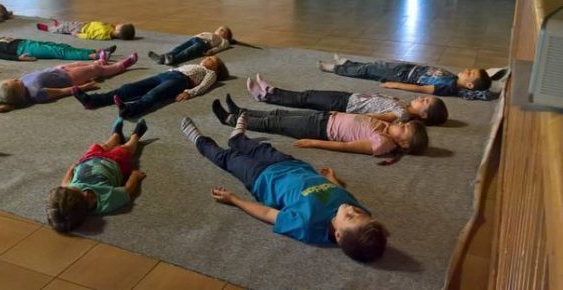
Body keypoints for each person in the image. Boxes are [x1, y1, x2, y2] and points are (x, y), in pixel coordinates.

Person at [179, 114, 388, 262]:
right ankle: (237, 138)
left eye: (350, 216)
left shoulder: (307, 225)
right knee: (258, 148)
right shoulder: (356, 211)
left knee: (228, 158)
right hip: (291, 165)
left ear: (339, 236)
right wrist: (333, 181)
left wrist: (234, 199)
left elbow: (268, 213)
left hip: (262, 179)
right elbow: (342, 194)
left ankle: (200, 141)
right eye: (358, 212)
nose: (352, 209)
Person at [212, 95, 428, 157]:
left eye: (405, 129)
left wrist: (313, 143)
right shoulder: (387, 127)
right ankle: (240, 112)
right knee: (279, 113)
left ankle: (229, 120)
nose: (402, 124)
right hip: (327, 117)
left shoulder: (382, 143)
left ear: (403, 143)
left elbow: (346, 146)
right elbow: (363, 117)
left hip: (319, 130)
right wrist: (339, 113)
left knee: (275, 122)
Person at [47, 117, 149, 232]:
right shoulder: (107, 200)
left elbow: (65, 183)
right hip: (115, 163)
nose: (72, 186)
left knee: (102, 146)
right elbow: (127, 190)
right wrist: (135, 176)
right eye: (77, 190)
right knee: (125, 149)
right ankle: (136, 135)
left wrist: (71, 169)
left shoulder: (68, 191)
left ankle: (116, 135)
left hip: (89, 158)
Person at [246, 73, 448, 125]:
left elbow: (376, 118)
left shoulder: (402, 114)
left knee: (306, 99)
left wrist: (347, 117)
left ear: (424, 115)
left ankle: (266, 96)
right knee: (309, 94)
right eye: (426, 98)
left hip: (346, 106)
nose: (422, 98)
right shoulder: (402, 105)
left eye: (426, 102)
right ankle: (272, 91)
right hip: (349, 98)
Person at [73, 56, 229, 117]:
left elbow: (204, 86)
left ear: (216, 69)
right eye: (209, 56)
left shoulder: (210, 73)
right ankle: (93, 100)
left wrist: (190, 93)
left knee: (154, 94)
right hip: (166, 75)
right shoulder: (196, 64)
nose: (207, 58)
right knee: (129, 88)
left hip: (181, 81)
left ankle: (130, 110)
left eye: (212, 60)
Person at [0, 53, 139, 112]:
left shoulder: (22, 82)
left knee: (81, 64)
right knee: (94, 70)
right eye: (14, 82)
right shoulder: (36, 94)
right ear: (18, 92)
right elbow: (62, 92)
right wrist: (84, 87)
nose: (15, 79)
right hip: (68, 78)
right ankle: (121, 65)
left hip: (58, 70)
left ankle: (101, 61)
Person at [319, 56, 492, 99]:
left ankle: (336, 68)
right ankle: (348, 63)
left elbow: (423, 89)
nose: (467, 70)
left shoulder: (449, 86)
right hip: (408, 68)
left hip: (401, 76)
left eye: (470, 73)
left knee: (370, 70)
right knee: (375, 65)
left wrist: (396, 85)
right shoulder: (454, 78)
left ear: (469, 85)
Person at [0, 32, 115, 62]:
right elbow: (0, 55)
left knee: (60, 45)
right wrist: (18, 58)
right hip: (23, 49)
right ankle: (93, 56)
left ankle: (95, 51)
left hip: (24, 43)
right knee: (58, 51)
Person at [147, 26, 233, 65]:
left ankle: (173, 59)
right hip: (195, 39)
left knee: (187, 52)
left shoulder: (223, 40)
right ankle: (163, 57)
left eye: (224, 31)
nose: (221, 30)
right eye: (220, 29)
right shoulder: (211, 33)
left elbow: (221, 47)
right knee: (179, 48)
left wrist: (211, 51)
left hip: (204, 44)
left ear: (226, 36)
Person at [36, 19, 136, 41]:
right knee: (68, 23)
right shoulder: (111, 28)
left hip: (80, 29)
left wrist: (78, 35)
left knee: (65, 28)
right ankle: (59, 25)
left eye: (121, 25)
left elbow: (90, 36)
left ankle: (49, 29)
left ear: (118, 32)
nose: (120, 23)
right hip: (85, 25)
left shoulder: (104, 34)